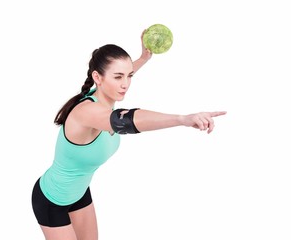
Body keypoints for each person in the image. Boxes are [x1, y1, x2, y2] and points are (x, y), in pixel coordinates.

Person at [31, 30, 227, 240]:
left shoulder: (102, 92)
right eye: (118, 77)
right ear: (97, 77)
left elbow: (122, 72)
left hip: (79, 193)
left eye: (129, 76)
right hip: (52, 200)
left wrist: (143, 58)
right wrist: (182, 119)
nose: (125, 84)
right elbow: (128, 120)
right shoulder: (87, 112)